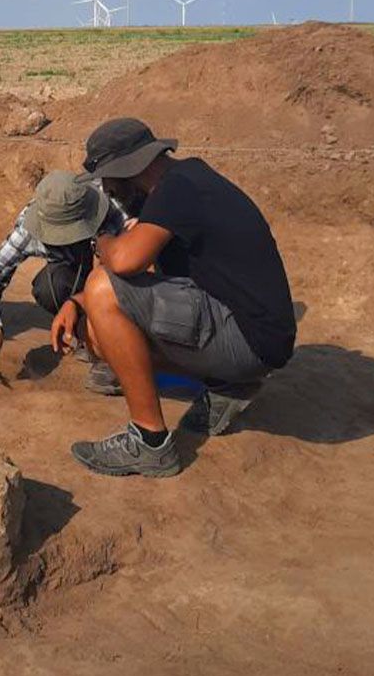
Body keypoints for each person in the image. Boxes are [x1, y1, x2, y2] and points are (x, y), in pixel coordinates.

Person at [51, 118, 296, 477]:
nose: (106, 188)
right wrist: (75, 303)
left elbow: (122, 262)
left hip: (245, 339)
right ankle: (227, 385)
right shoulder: (185, 181)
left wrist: (102, 240)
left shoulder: (176, 190)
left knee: (103, 285)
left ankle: (149, 443)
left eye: (108, 178)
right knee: (99, 339)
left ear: (129, 169)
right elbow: (149, 284)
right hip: (255, 339)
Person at [0, 171, 125, 392]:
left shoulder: (114, 205)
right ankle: (88, 337)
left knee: (120, 281)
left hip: (120, 271)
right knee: (50, 285)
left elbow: (136, 271)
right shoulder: (30, 226)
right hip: (75, 270)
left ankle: (116, 350)